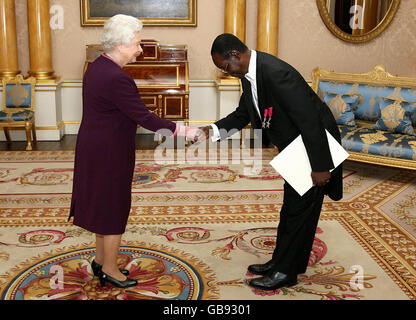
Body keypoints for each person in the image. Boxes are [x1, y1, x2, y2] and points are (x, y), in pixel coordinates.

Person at [198, 33, 343, 291]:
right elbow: (243, 113)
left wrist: (320, 166)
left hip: (313, 150)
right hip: (296, 149)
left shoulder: (275, 72)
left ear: (235, 55)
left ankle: (285, 273)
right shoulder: (250, 75)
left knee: (300, 212)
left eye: (225, 66)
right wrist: (212, 130)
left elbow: (310, 118)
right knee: (291, 209)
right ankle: (281, 261)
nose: (226, 72)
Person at [68, 14, 198, 289]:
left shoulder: (96, 67)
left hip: (94, 146)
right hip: (109, 152)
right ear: (121, 45)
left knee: (103, 204)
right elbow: (146, 118)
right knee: (113, 207)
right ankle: (111, 270)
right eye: (137, 44)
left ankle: (101, 260)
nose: (140, 49)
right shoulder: (117, 78)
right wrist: (184, 131)